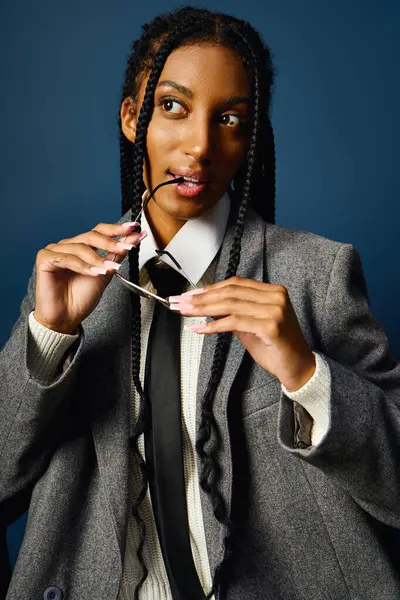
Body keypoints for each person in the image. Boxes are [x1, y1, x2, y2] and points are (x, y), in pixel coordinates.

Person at [1, 6, 400, 600]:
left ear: (250, 140)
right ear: (132, 118)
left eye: (231, 119)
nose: (200, 145)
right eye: (172, 107)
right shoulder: (64, 283)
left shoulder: (317, 273)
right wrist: (49, 337)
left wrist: (305, 372)